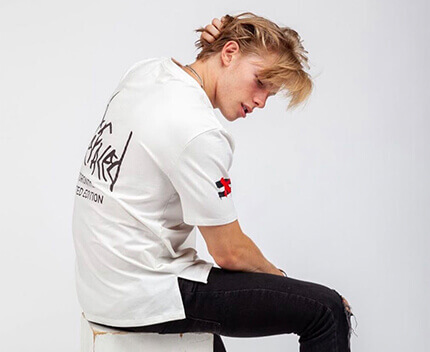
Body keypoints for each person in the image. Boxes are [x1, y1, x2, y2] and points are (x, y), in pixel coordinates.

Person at [72, 12, 356, 352]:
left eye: (272, 93)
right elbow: (229, 252)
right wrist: (282, 281)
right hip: (144, 293)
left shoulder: (146, 72)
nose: (262, 101)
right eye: (261, 81)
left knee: (212, 329)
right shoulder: (197, 130)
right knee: (326, 311)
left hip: (101, 285)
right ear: (229, 53)